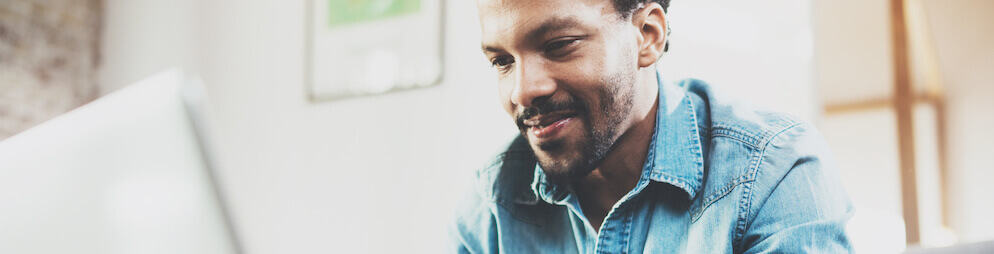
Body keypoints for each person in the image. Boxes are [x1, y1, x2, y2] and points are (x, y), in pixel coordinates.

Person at [451, 0, 854, 252]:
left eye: (559, 45)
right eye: (502, 61)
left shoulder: (772, 174)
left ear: (647, 35)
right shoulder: (491, 206)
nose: (523, 91)